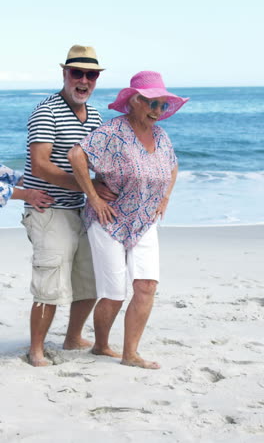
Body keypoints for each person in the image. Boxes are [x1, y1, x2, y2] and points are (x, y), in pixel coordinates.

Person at [68, 70, 189, 369]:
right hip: (108, 221)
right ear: (135, 100)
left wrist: (165, 198)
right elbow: (76, 156)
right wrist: (93, 197)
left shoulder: (160, 136)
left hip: (145, 220)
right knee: (114, 293)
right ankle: (101, 345)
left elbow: (172, 166)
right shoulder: (113, 132)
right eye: (153, 103)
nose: (158, 111)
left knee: (146, 285)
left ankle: (130, 353)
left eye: (163, 105)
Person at [22, 45, 116, 367]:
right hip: (48, 210)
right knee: (50, 283)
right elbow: (40, 166)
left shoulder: (97, 116)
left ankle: (73, 337)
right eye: (78, 73)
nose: (84, 80)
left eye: (91, 75)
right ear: (65, 74)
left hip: (83, 210)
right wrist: (89, 188)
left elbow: (99, 162)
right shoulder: (46, 112)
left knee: (90, 278)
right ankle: (36, 350)